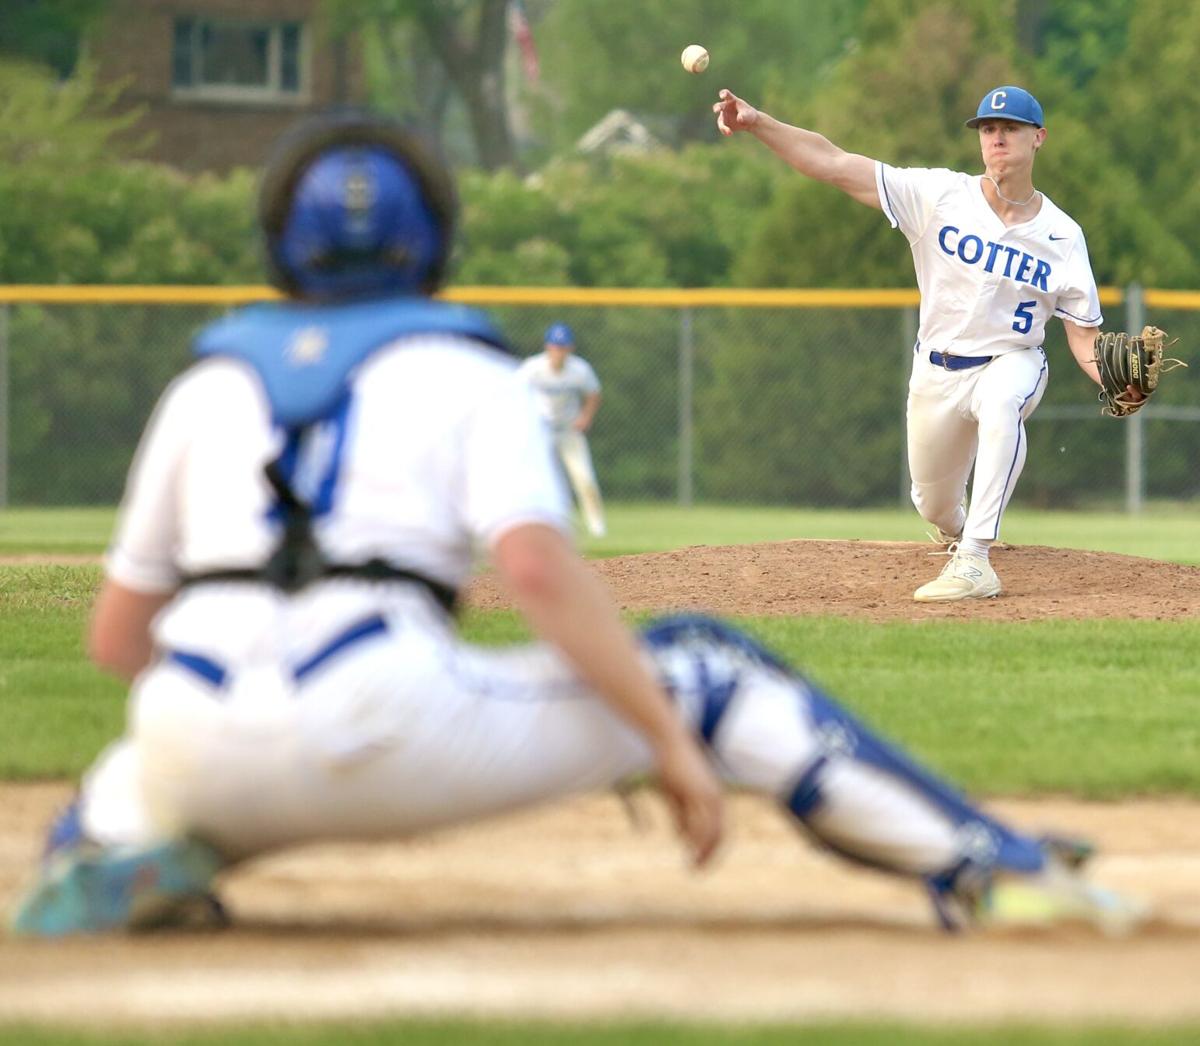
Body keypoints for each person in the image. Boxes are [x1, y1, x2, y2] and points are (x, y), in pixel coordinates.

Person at [10, 111, 1139, 937]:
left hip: (192, 726)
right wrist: (661, 740)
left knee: (134, 767)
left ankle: (109, 852)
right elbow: (542, 575)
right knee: (708, 668)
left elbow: (117, 641)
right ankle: (993, 864)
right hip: (380, 712)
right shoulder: (465, 366)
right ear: (433, 240)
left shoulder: (203, 385)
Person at [714, 85, 1142, 602]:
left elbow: (1084, 337)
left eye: (1010, 129)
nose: (997, 139)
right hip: (936, 372)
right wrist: (759, 122)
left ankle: (976, 558)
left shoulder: (1063, 236)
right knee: (933, 504)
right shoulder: (939, 196)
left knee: (1003, 403)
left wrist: (1119, 380)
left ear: (1039, 138)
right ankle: (958, 531)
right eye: (988, 129)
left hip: (1013, 359)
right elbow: (832, 162)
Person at [518, 324, 607, 538]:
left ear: (570, 348)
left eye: (563, 347)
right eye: (555, 346)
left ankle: (597, 527)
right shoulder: (533, 368)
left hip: (568, 431)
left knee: (584, 478)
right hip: (541, 431)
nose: (559, 351)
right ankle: (533, 526)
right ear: (548, 346)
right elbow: (514, 392)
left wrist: (585, 416)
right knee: (534, 480)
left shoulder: (579, 369)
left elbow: (594, 394)